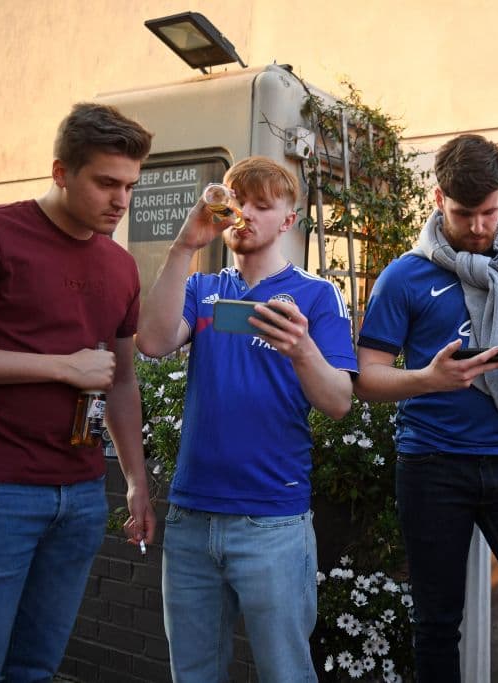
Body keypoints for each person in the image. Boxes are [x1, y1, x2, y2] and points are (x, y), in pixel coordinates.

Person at [354, 133, 498, 682]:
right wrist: (428, 380)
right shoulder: (405, 276)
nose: (478, 227)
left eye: (489, 212)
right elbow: (366, 378)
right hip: (431, 464)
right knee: (436, 625)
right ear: (438, 199)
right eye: (463, 214)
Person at [135, 156, 356, 682]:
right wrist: (184, 246)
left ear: (288, 221)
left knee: (285, 673)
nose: (246, 214)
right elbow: (154, 342)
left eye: (262, 205)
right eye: (239, 202)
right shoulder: (201, 288)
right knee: (193, 674)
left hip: (272, 522)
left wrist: (301, 348)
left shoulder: (316, 295)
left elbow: (338, 402)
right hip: (191, 518)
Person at [0, 102, 155, 682]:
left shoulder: (121, 266)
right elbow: (80, 369)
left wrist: (135, 482)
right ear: (60, 172)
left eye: (130, 185)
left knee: (35, 669)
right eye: (106, 183)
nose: (121, 200)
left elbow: (121, 380)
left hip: (80, 496)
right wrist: (59, 367)